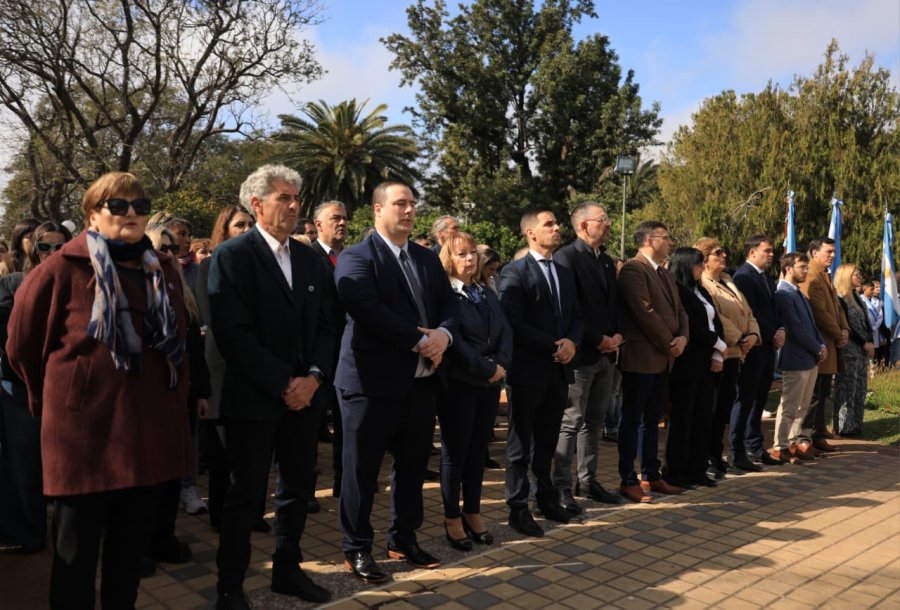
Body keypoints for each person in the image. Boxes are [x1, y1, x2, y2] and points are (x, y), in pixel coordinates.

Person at [7, 172, 192, 609]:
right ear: (92, 214)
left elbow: (179, 343)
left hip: (147, 435)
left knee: (128, 558)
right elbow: (21, 346)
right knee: (75, 559)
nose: (132, 214)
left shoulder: (163, 269)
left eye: (140, 206)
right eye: (118, 206)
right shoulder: (60, 269)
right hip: (83, 439)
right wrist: (67, 397)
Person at [208, 165, 335, 607]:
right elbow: (233, 334)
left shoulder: (309, 258)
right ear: (257, 204)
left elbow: (327, 326)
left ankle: (288, 570)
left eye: (297, 197)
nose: (295, 205)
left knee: (297, 489)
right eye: (284, 197)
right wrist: (285, 382)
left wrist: (313, 378)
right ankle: (230, 585)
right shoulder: (233, 256)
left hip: (306, 400)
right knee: (245, 496)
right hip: (255, 399)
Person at [334, 180, 459, 583]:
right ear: (377, 209)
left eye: (412, 204)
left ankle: (403, 538)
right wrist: (421, 341)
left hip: (421, 384)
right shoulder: (357, 257)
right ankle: (356, 547)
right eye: (400, 203)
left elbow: (449, 303)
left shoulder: (425, 258)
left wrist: (445, 335)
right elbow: (366, 309)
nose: (408, 210)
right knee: (361, 470)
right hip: (370, 385)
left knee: (411, 467)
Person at [499, 209, 583, 535]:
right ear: (530, 232)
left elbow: (576, 315)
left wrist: (572, 342)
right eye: (549, 224)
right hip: (528, 371)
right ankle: (517, 508)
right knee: (520, 445)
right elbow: (513, 321)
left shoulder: (563, 272)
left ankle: (545, 499)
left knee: (547, 441)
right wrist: (553, 345)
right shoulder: (515, 271)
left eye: (557, 223)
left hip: (559, 371)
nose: (557, 228)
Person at [0, 221, 72, 554]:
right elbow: (9, 339)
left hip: (66, 388)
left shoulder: (81, 282)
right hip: (20, 388)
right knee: (25, 463)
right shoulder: (13, 283)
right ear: (33, 249)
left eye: (60, 246)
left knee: (67, 462)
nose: (53, 253)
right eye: (45, 247)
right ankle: (30, 532)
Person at [195, 206, 267, 535]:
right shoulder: (209, 265)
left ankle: (252, 513)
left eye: (251, 224)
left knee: (254, 452)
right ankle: (221, 516)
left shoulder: (264, 266)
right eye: (239, 224)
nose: (247, 229)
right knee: (223, 454)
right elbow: (213, 317)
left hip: (257, 368)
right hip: (222, 369)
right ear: (223, 230)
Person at [438, 231, 512, 550]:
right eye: (461, 254)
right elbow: (454, 340)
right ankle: (451, 516)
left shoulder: (484, 290)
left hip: (489, 384)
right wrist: (485, 367)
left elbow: (505, 329)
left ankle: (472, 511)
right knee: (456, 453)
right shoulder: (446, 294)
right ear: (449, 259)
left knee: (478, 451)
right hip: (460, 384)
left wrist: (501, 363)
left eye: (472, 253)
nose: (470, 258)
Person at [552, 202, 622, 513]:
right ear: (584, 225)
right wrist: (597, 339)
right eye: (602, 220)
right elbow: (571, 308)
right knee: (571, 421)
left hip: (608, 354)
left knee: (594, 422)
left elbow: (615, 305)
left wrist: (618, 335)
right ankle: (561, 486)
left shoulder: (605, 260)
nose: (608, 224)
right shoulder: (566, 258)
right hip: (581, 355)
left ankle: (588, 480)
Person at [617, 221, 688, 503]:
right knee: (632, 419)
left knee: (652, 419)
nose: (669, 242)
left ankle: (651, 474)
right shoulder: (634, 269)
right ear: (648, 240)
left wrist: (683, 337)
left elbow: (680, 310)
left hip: (663, 358)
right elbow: (643, 311)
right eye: (665, 237)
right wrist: (669, 342)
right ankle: (627, 478)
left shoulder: (663, 272)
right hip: (642, 356)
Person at [695, 237, 761, 475]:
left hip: (736, 354)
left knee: (723, 409)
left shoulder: (728, 280)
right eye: (717, 252)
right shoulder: (703, 284)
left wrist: (753, 334)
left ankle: (716, 454)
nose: (724, 255)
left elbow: (747, 312)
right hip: (720, 352)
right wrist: (739, 338)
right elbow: (716, 317)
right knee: (711, 410)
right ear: (704, 259)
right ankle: (706, 458)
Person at [664, 247, 728, 488]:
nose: (702, 268)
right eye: (698, 264)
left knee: (703, 416)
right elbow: (691, 325)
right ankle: (676, 471)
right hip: (687, 362)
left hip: (707, 361)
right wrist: (718, 344)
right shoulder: (677, 290)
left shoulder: (701, 290)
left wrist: (718, 352)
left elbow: (715, 321)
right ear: (685, 265)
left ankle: (697, 469)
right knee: (683, 416)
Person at [731, 236, 785, 467]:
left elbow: (774, 309)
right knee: (745, 398)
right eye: (767, 251)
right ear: (752, 252)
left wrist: (781, 329)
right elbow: (750, 313)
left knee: (760, 398)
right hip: (753, 346)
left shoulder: (766, 277)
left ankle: (755, 445)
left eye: (772, 251)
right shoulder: (744, 277)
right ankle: (738, 449)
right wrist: (771, 333)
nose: (771, 254)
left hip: (768, 346)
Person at [310, 200, 350, 498]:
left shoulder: (350, 258)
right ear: (318, 224)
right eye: (335, 218)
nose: (342, 223)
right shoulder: (307, 257)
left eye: (345, 218)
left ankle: (344, 480)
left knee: (346, 421)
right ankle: (307, 488)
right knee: (311, 425)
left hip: (347, 354)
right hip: (316, 355)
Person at [771, 253, 826, 463]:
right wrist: (817, 348)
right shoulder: (783, 293)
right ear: (788, 269)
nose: (806, 271)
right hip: (795, 358)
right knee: (789, 406)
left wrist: (821, 344)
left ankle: (793, 443)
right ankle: (780, 446)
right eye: (802, 267)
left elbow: (811, 324)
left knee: (802, 407)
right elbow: (795, 328)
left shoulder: (798, 293)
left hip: (809, 358)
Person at [799, 238, 849, 453]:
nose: (832, 256)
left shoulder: (824, 275)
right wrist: (838, 333)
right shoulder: (810, 275)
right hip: (820, 344)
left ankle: (817, 434)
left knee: (822, 392)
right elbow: (819, 312)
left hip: (831, 342)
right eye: (828, 252)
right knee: (813, 394)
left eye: (833, 252)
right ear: (814, 253)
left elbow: (837, 308)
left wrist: (845, 329)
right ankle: (806, 437)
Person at [832, 264, 874, 436]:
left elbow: (865, 323)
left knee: (859, 388)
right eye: (856, 275)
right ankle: (844, 426)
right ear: (846, 277)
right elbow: (847, 325)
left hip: (861, 351)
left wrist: (870, 342)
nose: (860, 277)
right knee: (846, 389)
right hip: (849, 349)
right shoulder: (840, 298)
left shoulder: (856, 297)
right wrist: (864, 343)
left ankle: (856, 424)